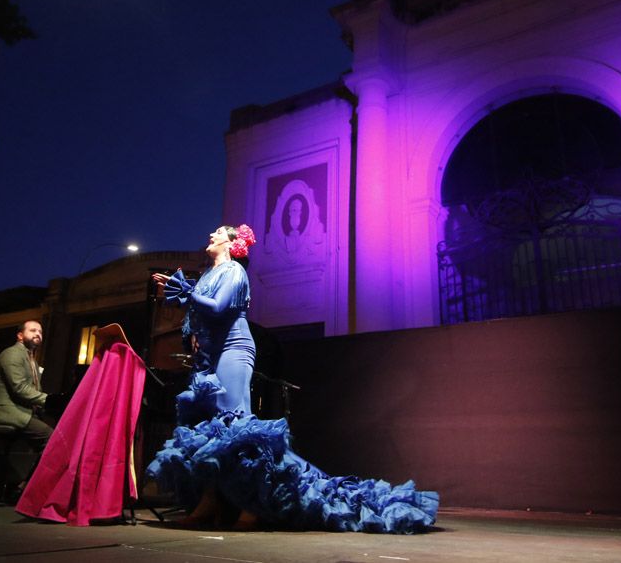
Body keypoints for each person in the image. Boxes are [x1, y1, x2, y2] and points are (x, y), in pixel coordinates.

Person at [147, 224, 439, 534]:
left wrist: (189, 292)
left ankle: (252, 504)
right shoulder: (206, 276)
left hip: (233, 349)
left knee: (234, 426)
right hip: (208, 357)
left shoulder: (234, 271)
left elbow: (219, 308)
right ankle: (210, 502)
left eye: (219, 232)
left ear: (233, 244)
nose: (212, 234)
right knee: (209, 430)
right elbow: (199, 316)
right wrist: (188, 310)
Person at [0, 320, 54, 454]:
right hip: (7, 411)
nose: (38, 334)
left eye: (40, 332)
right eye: (33, 330)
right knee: (50, 437)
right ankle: (40, 474)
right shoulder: (12, 353)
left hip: (24, 411)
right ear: (20, 336)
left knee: (57, 432)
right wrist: (51, 401)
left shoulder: (32, 360)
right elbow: (20, 388)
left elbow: (35, 391)